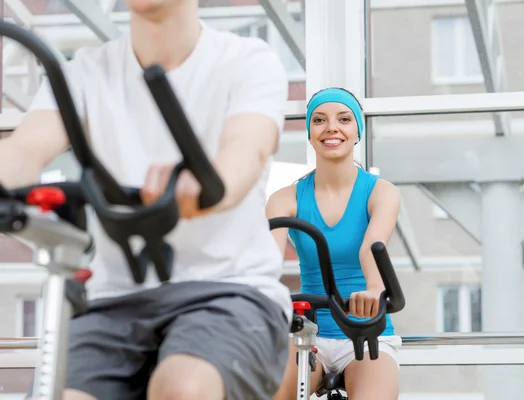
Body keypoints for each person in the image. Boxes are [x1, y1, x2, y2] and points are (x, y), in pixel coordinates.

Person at [0, 1, 292, 399]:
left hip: (229, 290)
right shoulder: (83, 72)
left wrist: (204, 184)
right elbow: (23, 151)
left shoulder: (248, 61)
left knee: (182, 388)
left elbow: (247, 152)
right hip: (114, 299)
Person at [267, 87, 402, 400]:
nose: (331, 127)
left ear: (357, 132)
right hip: (307, 330)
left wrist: (373, 288)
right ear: (310, 134)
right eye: (319, 120)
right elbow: (266, 264)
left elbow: (373, 248)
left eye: (343, 119)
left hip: (367, 331)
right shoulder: (284, 198)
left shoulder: (381, 192)